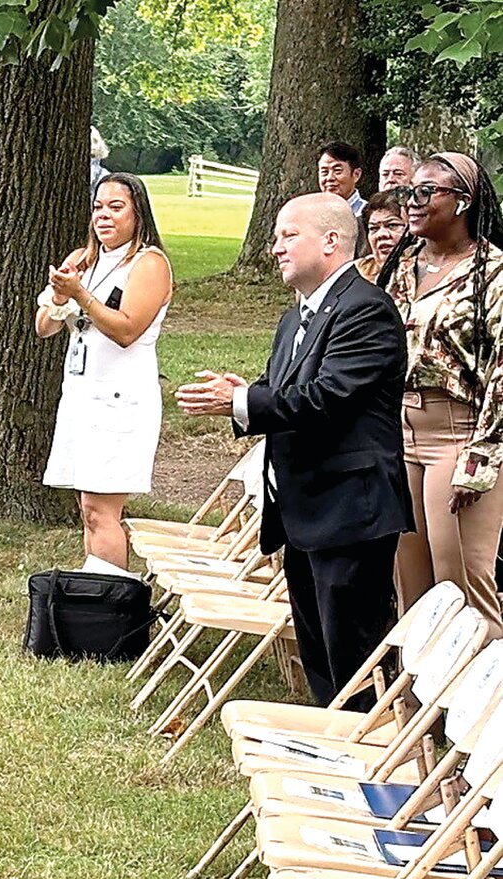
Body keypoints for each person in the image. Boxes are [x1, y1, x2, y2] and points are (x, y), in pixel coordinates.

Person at [175, 192, 411, 707]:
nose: (276, 247)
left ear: (331, 241)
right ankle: (333, 748)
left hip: (350, 511)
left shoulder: (366, 311)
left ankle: (368, 761)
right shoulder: (294, 317)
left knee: (354, 657)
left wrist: (243, 400)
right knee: (320, 654)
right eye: (277, 235)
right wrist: (245, 393)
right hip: (304, 509)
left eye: (289, 235)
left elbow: (324, 399)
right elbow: (283, 389)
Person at [382, 152, 503, 636]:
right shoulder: (402, 265)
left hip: (459, 435)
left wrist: (481, 457)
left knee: (462, 591)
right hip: (397, 432)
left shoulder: (492, 273)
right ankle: (416, 709)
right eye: (409, 191)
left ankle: (482, 706)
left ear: (463, 203)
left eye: (426, 192)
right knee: (412, 589)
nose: (412, 201)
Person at [34, 173, 174, 569]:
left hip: (121, 400)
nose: (104, 216)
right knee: (88, 509)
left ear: (137, 214)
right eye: (98, 207)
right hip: (82, 395)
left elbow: (127, 330)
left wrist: (81, 295)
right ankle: (94, 596)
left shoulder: (149, 263)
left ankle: (110, 606)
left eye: (116, 207)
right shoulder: (82, 259)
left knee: (102, 509)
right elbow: (43, 327)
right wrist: (61, 295)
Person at [356, 190, 407, 282]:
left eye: (392, 225)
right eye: (374, 228)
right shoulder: (356, 273)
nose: (381, 234)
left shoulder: (425, 274)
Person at [318, 140, 366, 217]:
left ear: (356, 174)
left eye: (337, 171)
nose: (330, 178)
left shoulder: (367, 214)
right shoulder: (313, 214)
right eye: (324, 172)